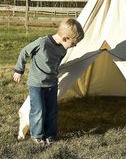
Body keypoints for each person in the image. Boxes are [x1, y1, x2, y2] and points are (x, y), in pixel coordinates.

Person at [13, 18, 84, 146]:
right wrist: (19, 70)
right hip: (36, 84)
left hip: (52, 84)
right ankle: (37, 135)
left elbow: (55, 63)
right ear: (65, 38)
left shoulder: (63, 49)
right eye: (74, 43)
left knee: (52, 110)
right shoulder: (42, 43)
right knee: (39, 110)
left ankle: (50, 134)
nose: (75, 46)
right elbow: (24, 52)